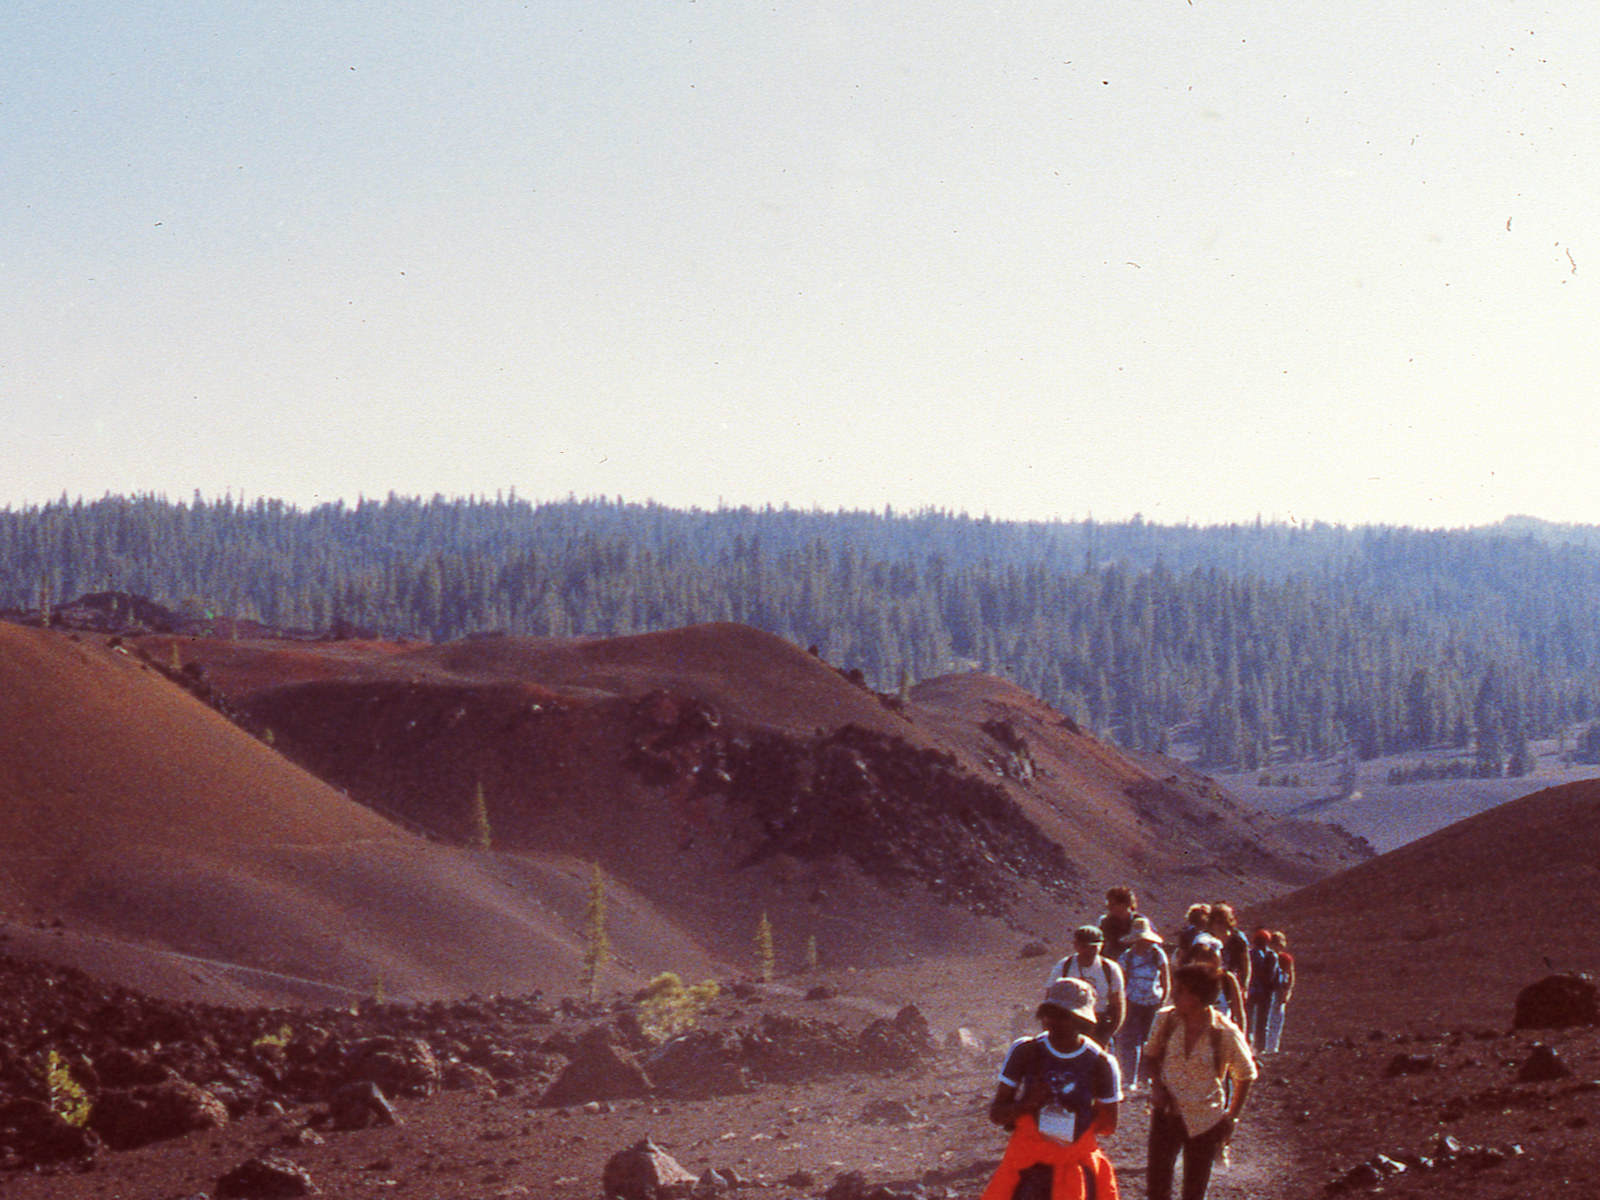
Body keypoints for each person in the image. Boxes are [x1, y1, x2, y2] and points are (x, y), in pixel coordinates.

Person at [983, 977, 1121, 1200]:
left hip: (1074, 1165)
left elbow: (1108, 1126)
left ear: (1081, 1020)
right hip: (1030, 1165)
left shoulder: (1101, 1063)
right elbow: (997, 1114)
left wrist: (1076, 1123)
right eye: (1049, 1014)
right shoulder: (1025, 1051)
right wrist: (1026, 1105)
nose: (1052, 1022)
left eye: (1062, 1016)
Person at [1140, 964, 1257, 1200]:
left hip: (1205, 1120)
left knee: (1194, 1190)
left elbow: (1245, 1075)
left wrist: (1231, 1117)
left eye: (1181, 991)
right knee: (1157, 1187)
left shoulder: (1225, 1033)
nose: (1174, 995)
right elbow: (1150, 1057)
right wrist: (1157, 1087)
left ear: (1199, 997)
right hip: (1166, 1115)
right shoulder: (1165, 1020)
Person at [1115, 916, 1169, 1092]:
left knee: (1151, 1041)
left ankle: (1147, 1079)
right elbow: (1120, 981)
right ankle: (1131, 1079)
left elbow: (1165, 979)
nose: (1143, 943)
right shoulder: (1127, 957)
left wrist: (1163, 1001)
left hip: (1153, 1003)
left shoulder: (1157, 954)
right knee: (1131, 1040)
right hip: (1133, 1002)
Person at [1049, 925, 1125, 1048]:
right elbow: (1049, 999)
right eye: (1084, 946)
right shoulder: (1064, 966)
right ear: (1075, 945)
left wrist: (1107, 1035)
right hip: (1067, 1024)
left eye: (1094, 947)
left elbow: (1118, 1005)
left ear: (1102, 945)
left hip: (1098, 1025)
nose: (1089, 951)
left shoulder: (1110, 969)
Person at [1185, 943, 1245, 1037]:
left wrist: (1242, 1038)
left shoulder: (1227, 979)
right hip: (1195, 1035)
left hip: (1223, 1034)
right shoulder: (1189, 980)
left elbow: (1239, 1013)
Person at [1244, 930, 1280, 1054]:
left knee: (1250, 1020)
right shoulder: (1272, 955)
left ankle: (1250, 1045)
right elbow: (1271, 975)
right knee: (1262, 1021)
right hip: (1265, 991)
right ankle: (1260, 1047)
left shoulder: (1252, 954)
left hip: (1254, 990)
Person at [1207, 904, 1251, 997]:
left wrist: (1244, 986)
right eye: (1217, 922)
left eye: (1223, 921)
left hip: (1232, 983)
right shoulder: (1207, 938)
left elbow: (1245, 964)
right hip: (1210, 983)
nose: (1219, 925)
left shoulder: (1238, 939)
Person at [1265, 930, 1295, 1054]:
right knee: (1268, 1019)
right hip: (1268, 992)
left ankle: (1273, 1047)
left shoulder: (1285, 959)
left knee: (1277, 1019)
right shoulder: (1266, 957)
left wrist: (1287, 992)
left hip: (1279, 991)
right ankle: (1266, 1047)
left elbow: (1291, 975)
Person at [1098, 887, 1138, 961]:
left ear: (1124, 905)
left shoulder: (1140, 922)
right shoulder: (1105, 921)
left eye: (1112, 904)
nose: (1108, 906)